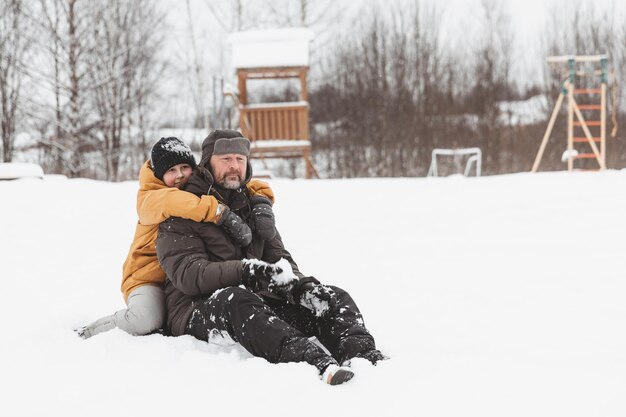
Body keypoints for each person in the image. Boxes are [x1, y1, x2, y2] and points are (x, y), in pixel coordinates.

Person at [156, 129, 386, 385]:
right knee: (236, 299)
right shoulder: (182, 208)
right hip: (196, 309)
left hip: (256, 301)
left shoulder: (253, 205)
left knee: (331, 295)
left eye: (240, 159)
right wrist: (245, 271)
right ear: (207, 162)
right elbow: (189, 275)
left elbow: (279, 257)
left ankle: (363, 358)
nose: (234, 166)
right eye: (225, 159)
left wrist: (301, 286)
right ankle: (312, 360)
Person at [77, 136, 275, 339]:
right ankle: (91, 331)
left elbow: (245, 183)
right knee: (145, 319)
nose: (180, 175)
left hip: (178, 278)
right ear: (159, 175)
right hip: (149, 277)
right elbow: (180, 202)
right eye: (171, 171)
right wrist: (221, 213)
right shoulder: (152, 197)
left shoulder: (195, 189)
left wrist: (261, 199)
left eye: (184, 168)